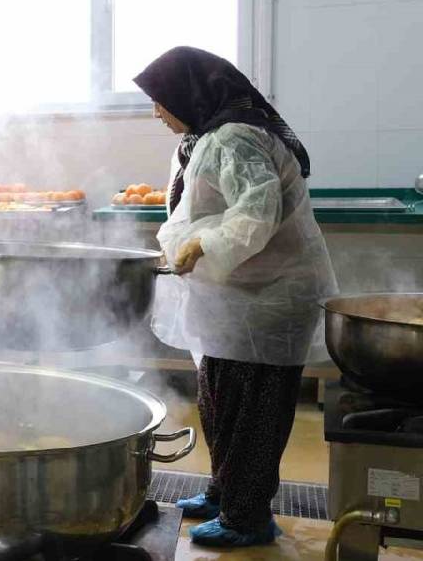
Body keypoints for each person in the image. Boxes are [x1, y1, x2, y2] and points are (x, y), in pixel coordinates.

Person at [135, 46, 336, 548]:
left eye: (160, 100)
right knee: (220, 400)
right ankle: (225, 491)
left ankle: (247, 518)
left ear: (189, 93)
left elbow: (256, 214)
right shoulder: (205, 137)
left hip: (268, 299)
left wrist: (202, 243)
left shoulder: (236, 137)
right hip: (235, 297)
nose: (155, 111)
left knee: (253, 412)